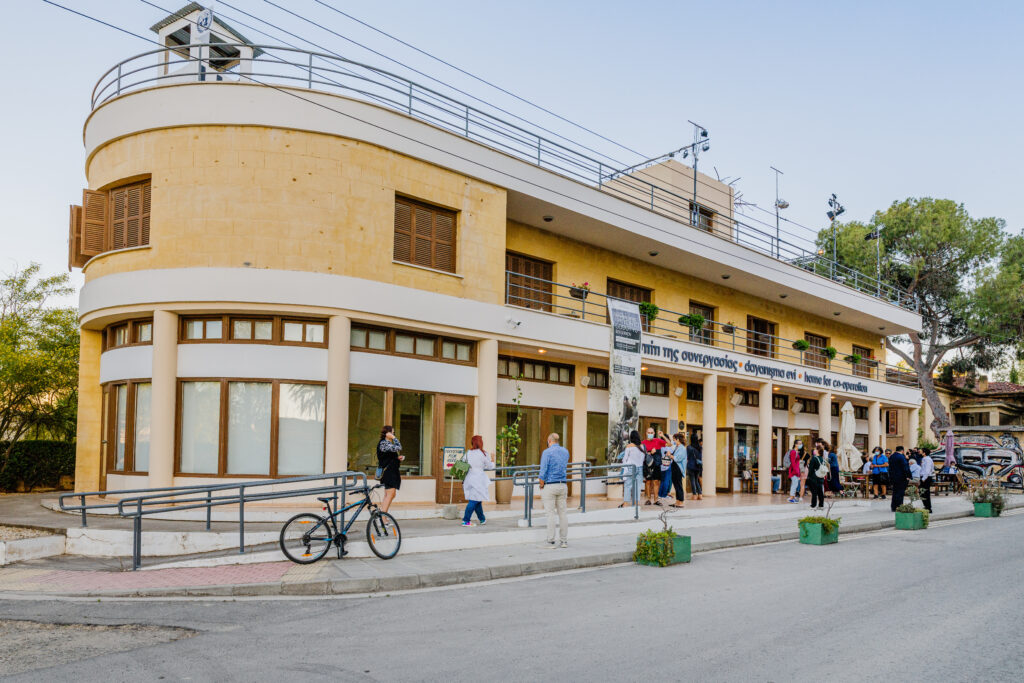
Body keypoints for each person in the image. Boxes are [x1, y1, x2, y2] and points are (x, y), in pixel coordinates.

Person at [538, 432, 570, 548]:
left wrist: (541, 485)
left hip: (550, 485)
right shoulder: (565, 451)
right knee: (563, 514)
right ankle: (564, 541)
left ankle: (551, 541)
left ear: (549, 441)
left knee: (550, 514)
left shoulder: (547, 452)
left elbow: (543, 471)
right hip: (563, 485)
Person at [460, 435, 495, 526]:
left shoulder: (468, 453)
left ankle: (482, 519)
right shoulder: (483, 454)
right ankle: (466, 520)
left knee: (477, 499)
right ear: (481, 443)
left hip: (469, 478)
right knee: (474, 500)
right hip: (478, 479)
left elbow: (462, 463)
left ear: (472, 443)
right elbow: (490, 467)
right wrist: (492, 459)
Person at [376, 425, 404, 513]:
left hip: (391, 472)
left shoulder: (387, 443)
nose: (393, 434)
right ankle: (383, 516)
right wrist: (394, 438)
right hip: (388, 473)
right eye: (392, 432)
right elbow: (399, 447)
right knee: (390, 494)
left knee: (390, 494)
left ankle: (381, 514)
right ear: (387, 433)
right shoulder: (384, 443)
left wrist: (397, 458)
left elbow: (387, 457)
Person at [641, 428, 668, 505]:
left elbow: (669, 444)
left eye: (651, 432)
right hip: (647, 465)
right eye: (649, 432)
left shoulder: (658, 441)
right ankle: (648, 499)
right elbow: (641, 454)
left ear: (654, 433)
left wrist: (663, 436)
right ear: (646, 433)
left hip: (656, 464)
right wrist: (649, 453)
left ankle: (656, 500)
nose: (650, 434)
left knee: (656, 482)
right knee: (648, 482)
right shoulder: (643, 443)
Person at [619, 430, 645, 508]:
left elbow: (625, 459)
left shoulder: (629, 446)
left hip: (631, 468)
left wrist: (623, 469)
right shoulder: (642, 446)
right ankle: (636, 503)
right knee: (637, 486)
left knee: (628, 486)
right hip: (640, 468)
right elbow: (643, 458)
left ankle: (625, 504)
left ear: (631, 437)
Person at [888, 445, 912, 511]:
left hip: (893, 477)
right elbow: (905, 467)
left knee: (895, 492)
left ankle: (893, 506)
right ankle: (899, 506)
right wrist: (908, 476)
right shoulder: (901, 457)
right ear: (902, 451)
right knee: (900, 492)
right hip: (901, 477)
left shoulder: (891, 456)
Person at [669, 433, 687, 508]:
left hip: (678, 468)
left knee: (679, 485)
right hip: (674, 467)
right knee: (676, 485)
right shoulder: (677, 447)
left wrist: (670, 455)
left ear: (678, 439)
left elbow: (678, 458)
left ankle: (681, 501)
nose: (673, 441)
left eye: (674, 439)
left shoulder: (682, 448)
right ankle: (677, 501)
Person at [919, 449, 935, 513]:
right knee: (922, 493)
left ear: (924, 453)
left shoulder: (927, 459)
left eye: (921, 451)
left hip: (926, 478)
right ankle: (926, 506)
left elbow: (927, 470)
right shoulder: (924, 459)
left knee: (925, 493)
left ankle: (928, 507)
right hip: (924, 477)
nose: (920, 452)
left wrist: (923, 479)